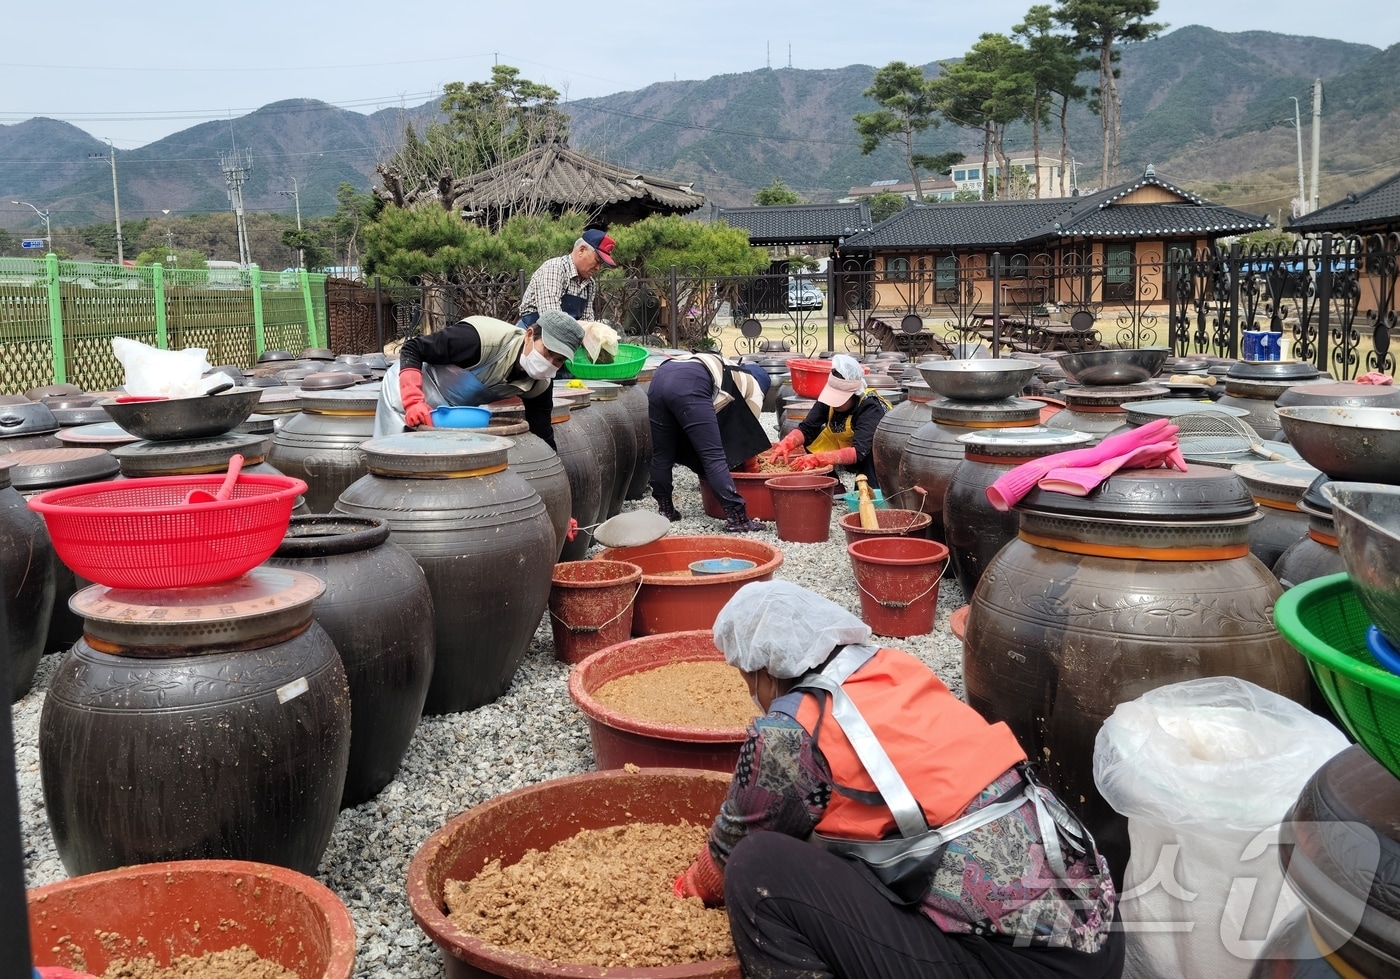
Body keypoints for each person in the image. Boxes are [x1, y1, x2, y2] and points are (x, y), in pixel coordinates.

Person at [675, 581, 1123, 979]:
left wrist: (689, 888)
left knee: (758, 864)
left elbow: (734, 843)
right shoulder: (894, 669)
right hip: (1098, 940)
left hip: (1018, 964)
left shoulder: (791, 730)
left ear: (763, 669)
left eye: (743, 675)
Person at [375, 309, 583, 447]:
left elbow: (542, 435)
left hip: (451, 413)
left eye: (559, 360)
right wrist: (413, 400)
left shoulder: (539, 385)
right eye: (547, 352)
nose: (550, 363)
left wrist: (557, 496)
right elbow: (413, 348)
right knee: (399, 455)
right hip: (409, 393)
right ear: (529, 335)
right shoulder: (480, 340)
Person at [647, 353, 772, 532]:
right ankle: (737, 517)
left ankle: (665, 510)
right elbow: (746, 440)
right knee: (713, 455)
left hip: (660, 377)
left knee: (662, 453)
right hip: (692, 381)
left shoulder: (730, 369)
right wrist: (752, 468)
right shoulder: (754, 387)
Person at [769, 353, 889, 489]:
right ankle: (833, 486)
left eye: (840, 399)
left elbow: (859, 451)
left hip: (872, 454)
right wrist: (787, 443)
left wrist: (818, 459)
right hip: (847, 445)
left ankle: (875, 491)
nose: (834, 404)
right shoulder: (827, 401)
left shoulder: (870, 407)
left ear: (853, 395)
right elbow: (807, 428)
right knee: (811, 439)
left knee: (868, 476)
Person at [517, 228, 616, 327]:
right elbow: (551, 319)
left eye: (601, 264)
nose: (598, 268)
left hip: (566, 337)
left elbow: (587, 322)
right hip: (533, 335)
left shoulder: (590, 284)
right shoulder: (554, 268)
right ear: (582, 250)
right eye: (597, 260)